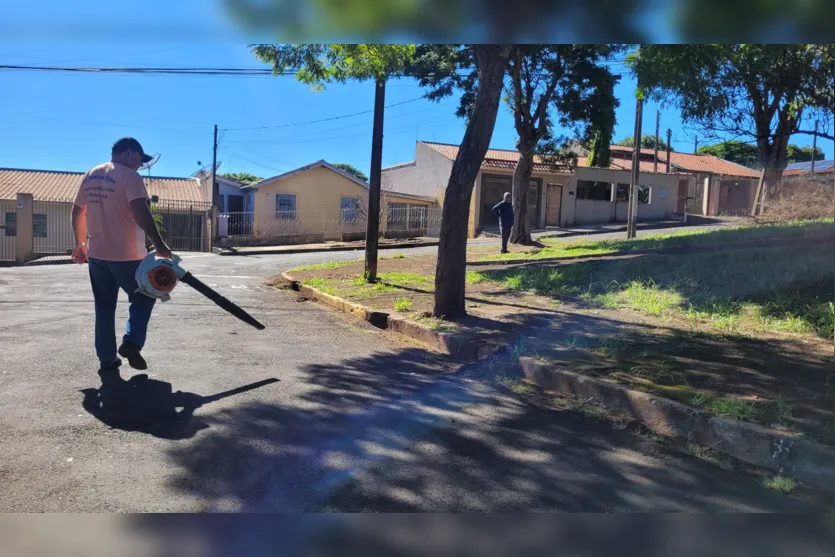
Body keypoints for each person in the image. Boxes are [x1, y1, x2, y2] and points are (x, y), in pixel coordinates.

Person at [72, 137, 173, 374]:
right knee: (145, 296)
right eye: (140, 158)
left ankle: (107, 359)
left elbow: (78, 210)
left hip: (97, 255)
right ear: (128, 153)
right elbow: (140, 209)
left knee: (104, 307)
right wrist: (159, 244)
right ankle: (131, 343)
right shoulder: (130, 176)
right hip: (127, 255)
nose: (141, 164)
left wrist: (79, 243)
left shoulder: (91, 174)